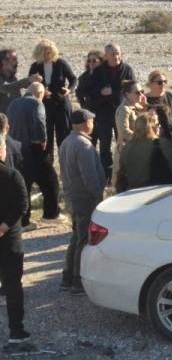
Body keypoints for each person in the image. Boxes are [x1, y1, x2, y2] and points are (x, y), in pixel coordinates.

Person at [59, 109, 104, 294]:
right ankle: (78, 281)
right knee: (83, 240)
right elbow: (90, 178)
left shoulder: (66, 141)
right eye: (92, 121)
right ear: (86, 123)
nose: (93, 124)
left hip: (71, 197)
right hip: (85, 199)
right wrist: (98, 196)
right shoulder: (84, 146)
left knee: (76, 237)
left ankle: (67, 278)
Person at [7, 82, 60, 226]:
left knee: (23, 186)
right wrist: (42, 140)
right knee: (51, 182)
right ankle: (51, 215)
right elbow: (39, 122)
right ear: (40, 94)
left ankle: (24, 221)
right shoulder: (37, 103)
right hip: (33, 148)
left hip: (14, 148)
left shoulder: (13, 103)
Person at [82, 43, 136, 181]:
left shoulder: (127, 69)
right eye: (112, 54)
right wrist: (101, 92)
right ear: (106, 56)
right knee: (105, 146)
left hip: (122, 112)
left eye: (118, 53)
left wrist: (113, 93)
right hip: (103, 113)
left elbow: (131, 89)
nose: (116, 56)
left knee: (124, 142)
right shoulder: (100, 71)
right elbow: (90, 90)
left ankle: (125, 174)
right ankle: (106, 176)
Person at [0, 137, 28, 344]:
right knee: (12, 285)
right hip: (10, 240)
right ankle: (16, 331)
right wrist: (5, 226)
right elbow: (22, 204)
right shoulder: (11, 175)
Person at [116, 113, 172, 191]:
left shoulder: (127, 147)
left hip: (134, 191)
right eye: (157, 124)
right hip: (158, 190)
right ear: (151, 127)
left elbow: (122, 174)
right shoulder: (162, 144)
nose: (159, 126)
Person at [29, 38, 75, 149]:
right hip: (43, 105)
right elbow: (29, 84)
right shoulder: (35, 66)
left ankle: (65, 164)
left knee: (64, 136)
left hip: (61, 103)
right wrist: (40, 89)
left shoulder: (60, 63)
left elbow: (73, 79)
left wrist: (69, 89)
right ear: (39, 52)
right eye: (44, 51)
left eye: (49, 51)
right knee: (46, 137)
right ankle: (47, 165)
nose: (47, 54)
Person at [112, 80, 147, 188]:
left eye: (142, 91)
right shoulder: (124, 109)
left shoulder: (137, 106)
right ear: (127, 94)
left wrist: (145, 107)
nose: (141, 95)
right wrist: (142, 138)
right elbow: (124, 131)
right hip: (127, 151)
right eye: (137, 93)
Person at [145, 69, 172, 141]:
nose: (163, 84)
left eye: (165, 82)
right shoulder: (145, 100)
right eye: (159, 82)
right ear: (151, 83)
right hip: (154, 140)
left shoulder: (170, 96)